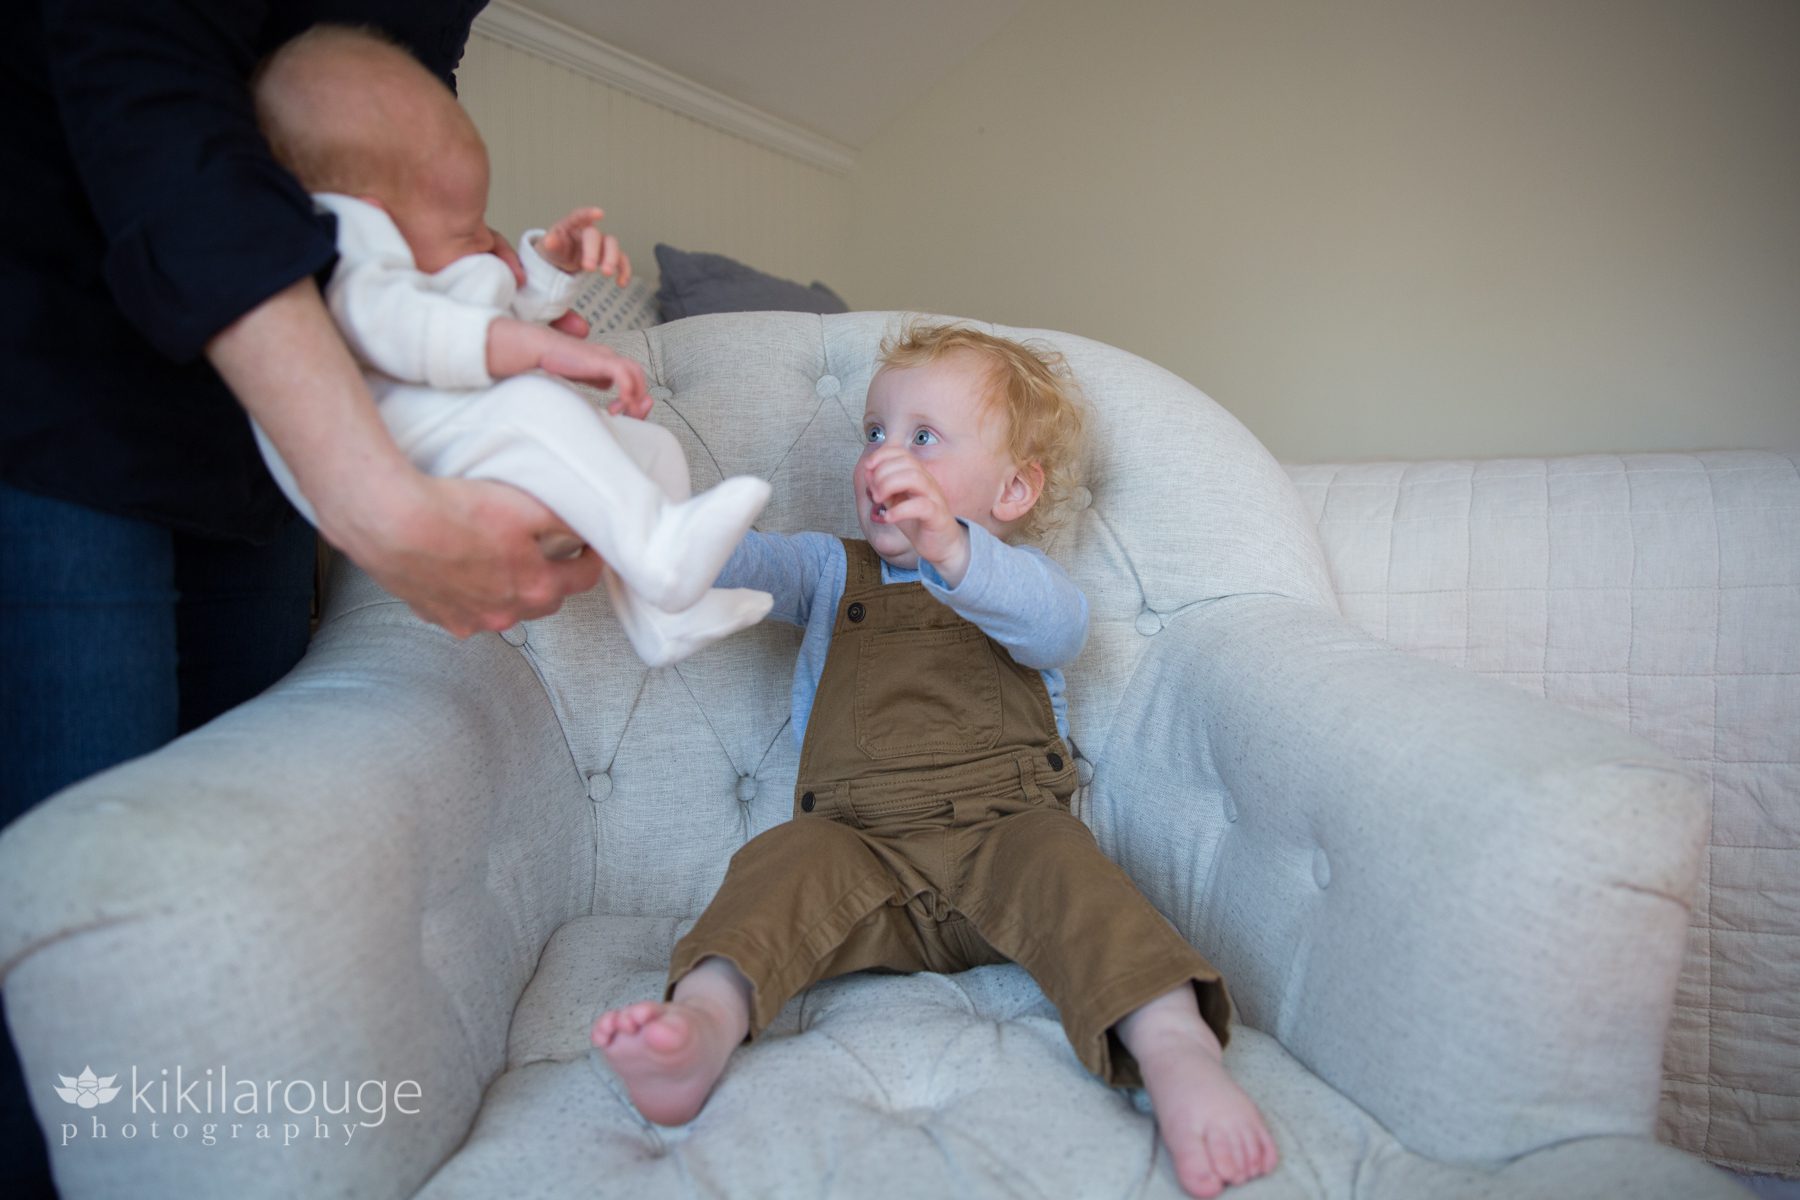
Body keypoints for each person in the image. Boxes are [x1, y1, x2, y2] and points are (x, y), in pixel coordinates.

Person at [2, 4, 576, 1192]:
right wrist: (364, 480)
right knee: (90, 937)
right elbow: (143, 72)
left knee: (257, 882)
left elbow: (376, 181)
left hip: (258, 433)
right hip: (61, 368)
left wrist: (483, 293)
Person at [589, 323, 1280, 1198]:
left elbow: (1056, 632)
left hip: (1008, 838)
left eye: (923, 438)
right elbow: (726, 560)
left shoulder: (1020, 583)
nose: (886, 458)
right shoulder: (826, 571)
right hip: (859, 854)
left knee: (1085, 883)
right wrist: (629, 504)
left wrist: (952, 550)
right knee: (777, 866)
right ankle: (701, 1026)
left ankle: (1176, 1053)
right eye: (875, 432)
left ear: (1013, 489)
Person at [250, 27, 772, 665]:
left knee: (655, 446)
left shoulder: (432, 264)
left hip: (469, 425)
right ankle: (661, 556)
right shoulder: (345, 257)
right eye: (465, 226)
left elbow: (503, 313)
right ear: (370, 213)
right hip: (409, 442)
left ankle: (664, 616)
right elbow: (410, 333)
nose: (482, 239)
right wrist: (549, 352)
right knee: (535, 400)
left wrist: (553, 266)